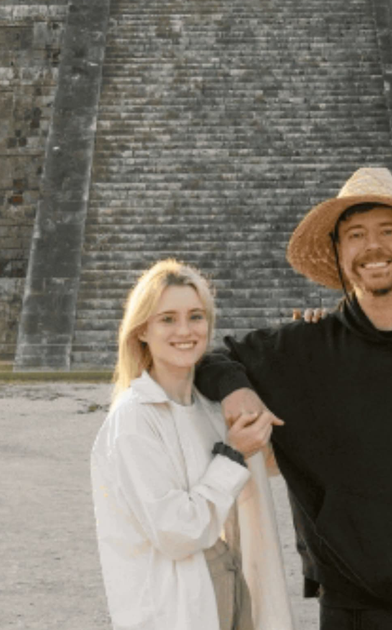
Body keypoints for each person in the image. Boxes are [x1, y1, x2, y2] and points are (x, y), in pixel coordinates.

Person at [194, 168, 392, 630]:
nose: (373, 247)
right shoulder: (305, 348)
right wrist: (239, 388)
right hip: (348, 599)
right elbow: (208, 358)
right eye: (355, 235)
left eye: (388, 231)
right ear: (339, 252)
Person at [90, 259, 296, 630]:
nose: (184, 330)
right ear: (142, 331)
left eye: (196, 317)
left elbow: (273, 465)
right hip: (177, 605)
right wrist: (233, 454)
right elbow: (176, 532)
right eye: (167, 319)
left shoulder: (211, 408)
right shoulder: (134, 419)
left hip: (232, 583)